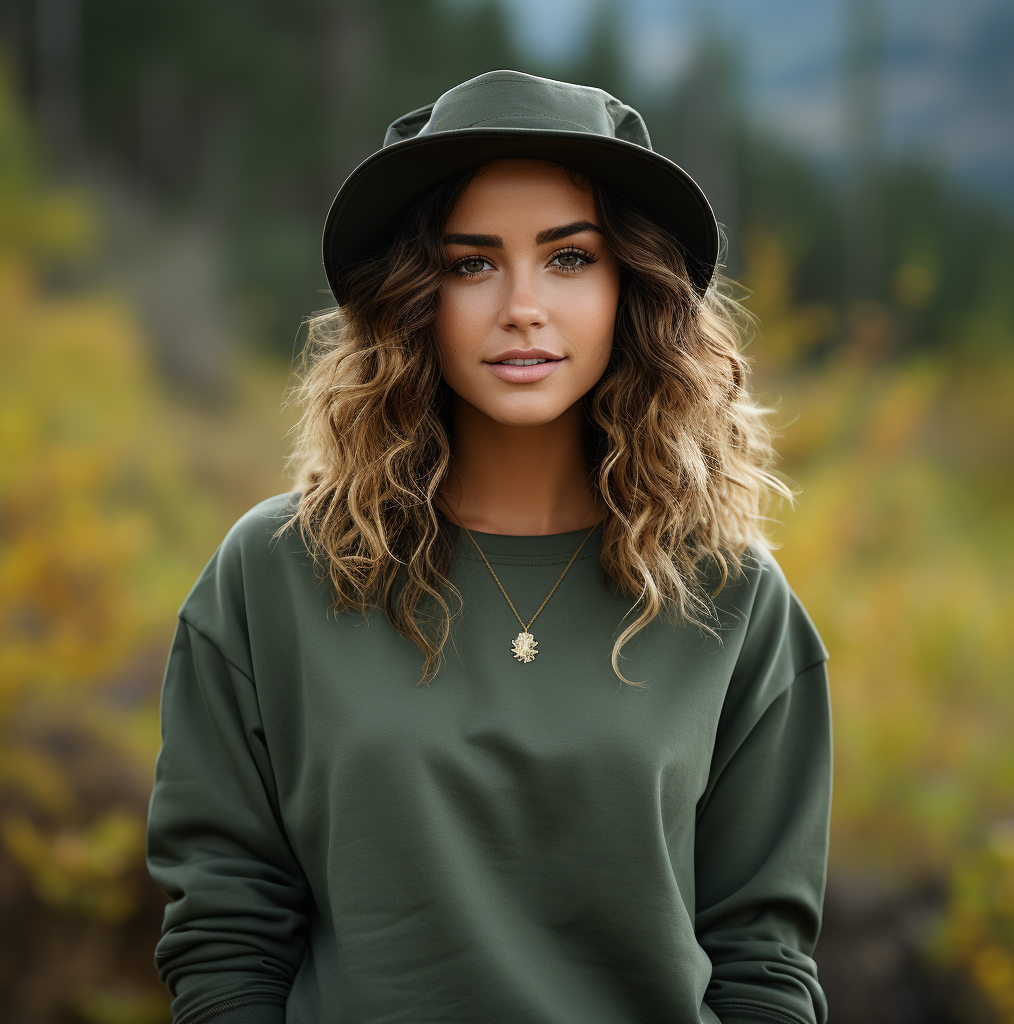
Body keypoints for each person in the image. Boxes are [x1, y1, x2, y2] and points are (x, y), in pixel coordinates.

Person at [146, 70, 831, 1024]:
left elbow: (763, 963)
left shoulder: (731, 597)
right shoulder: (276, 572)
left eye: (569, 258)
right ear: (412, 298)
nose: (521, 306)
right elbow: (223, 934)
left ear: (632, 285)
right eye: (471, 263)